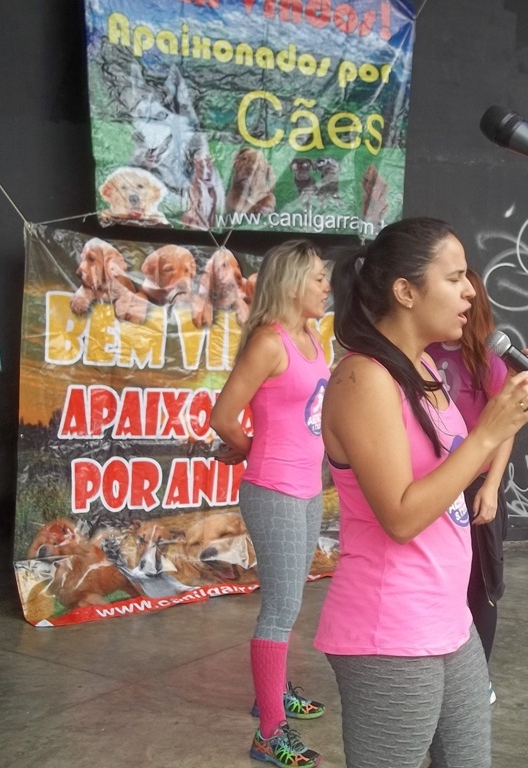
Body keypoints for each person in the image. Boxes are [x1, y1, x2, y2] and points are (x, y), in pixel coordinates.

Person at [314, 217, 528, 768]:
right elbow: (400, 516)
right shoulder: (363, 378)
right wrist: (486, 432)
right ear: (406, 291)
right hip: (390, 629)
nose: (471, 292)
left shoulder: (420, 367)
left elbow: (448, 479)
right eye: (455, 278)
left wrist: (503, 426)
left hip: (448, 618)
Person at [209, 240, 331, 767]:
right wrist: (252, 449)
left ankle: (273, 692)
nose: (327, 286)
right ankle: (269, 734)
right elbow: (223, 416)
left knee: (291, 602)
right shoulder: (269, 341)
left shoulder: (312, 337)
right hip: (274, 489)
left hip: (307, 488)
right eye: (318, 278)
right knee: (280, 610)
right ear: (292, 283)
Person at [426, 268, 512, 705]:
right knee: (442, 586)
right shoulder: (420, 354)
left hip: (475, 486)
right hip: (432, 486)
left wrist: (491, 487)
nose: (460, 301)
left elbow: (505, 429)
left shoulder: (489, 362)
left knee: (480, 589)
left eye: (467, 295)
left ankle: (479, 680)